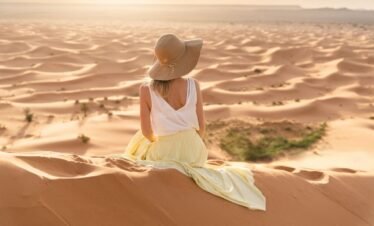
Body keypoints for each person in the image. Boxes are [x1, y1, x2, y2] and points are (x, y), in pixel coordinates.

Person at [123, 33, 266, 211]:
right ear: (183, 61)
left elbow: (146, 132)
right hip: (194, 149)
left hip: (164, 149)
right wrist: (190, 141)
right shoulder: (193, 84)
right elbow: (201, 126)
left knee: (139, 144)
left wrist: (159, 143)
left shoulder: (146, 89)